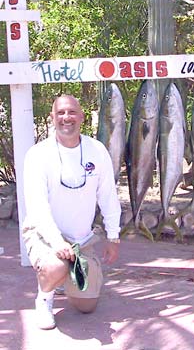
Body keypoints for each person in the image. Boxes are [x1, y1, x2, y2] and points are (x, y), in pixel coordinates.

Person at [22, 94, 122, 330]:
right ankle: (45, 296)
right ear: (52, 118)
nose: (66, 118)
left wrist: (113, 236)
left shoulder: (97, 150)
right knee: (56, 266)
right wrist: (57, 243)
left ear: (82, 117)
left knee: (86, 306)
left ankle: (67, 276)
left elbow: (108, 196)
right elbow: (37, 207)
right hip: (44, 236)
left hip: (82, 240)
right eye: (61, 113)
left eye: (72, 112)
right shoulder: (37, 155)